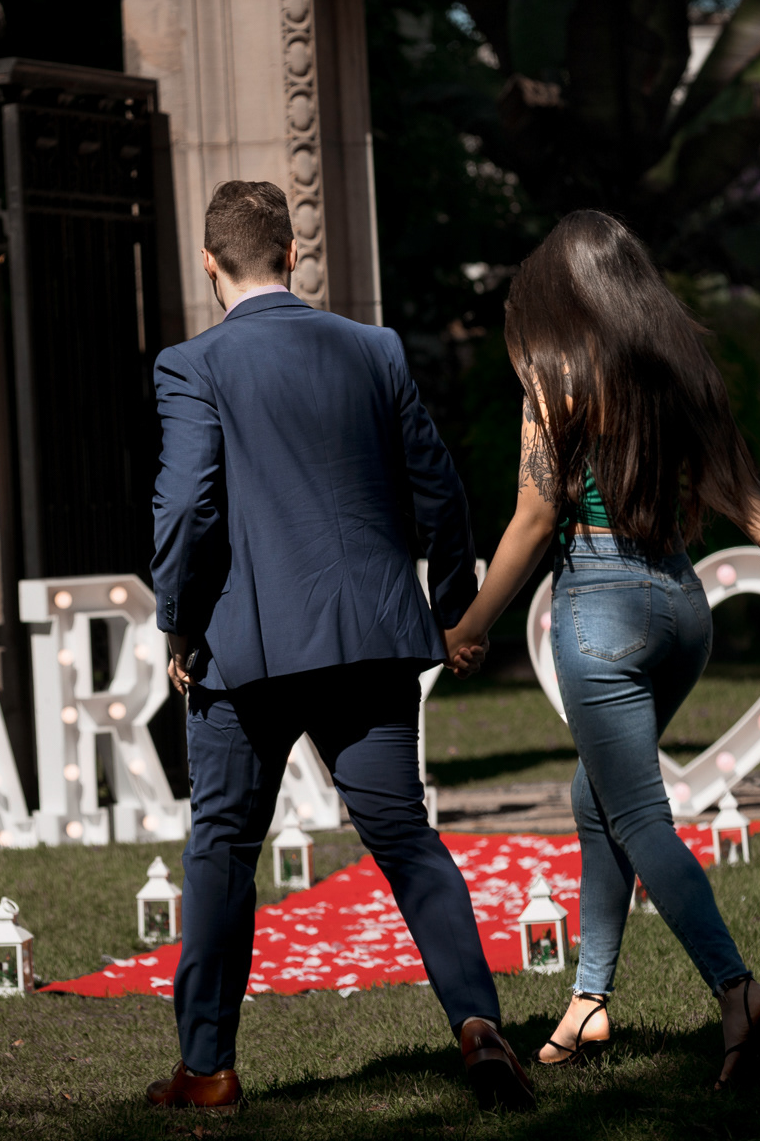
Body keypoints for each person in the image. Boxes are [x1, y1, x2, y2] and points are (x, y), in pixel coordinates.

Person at [144, 180, 536, 1116]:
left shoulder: (190, 365)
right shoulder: (375, 348)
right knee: (403, 837)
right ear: (290, 254)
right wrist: (449, 609)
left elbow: (187, 506)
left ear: (209, 264)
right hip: (372, 639)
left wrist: (179, 621)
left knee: (224, 847)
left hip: (245, 652)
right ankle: (480, 1028)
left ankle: (208, 1069)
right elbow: (437, 486)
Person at [442, 210, 760, 1088]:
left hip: (601, 613)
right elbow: (741, 486)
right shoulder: (677, 367)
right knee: (597, 795)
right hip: (681, 608)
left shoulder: (557, 375)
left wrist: (471, 626)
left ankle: (736, 989)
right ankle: (589, 1002)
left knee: (636, 816)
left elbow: (537, 513)